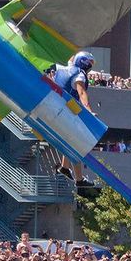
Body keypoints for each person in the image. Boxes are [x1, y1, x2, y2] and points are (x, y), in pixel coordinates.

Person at [52, 50, 96, 184]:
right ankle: (79, 179)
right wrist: (89, 112)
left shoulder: (65, 68)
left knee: (71, 140)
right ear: (85, 64)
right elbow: (82, 93)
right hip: (65, 111)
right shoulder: (80, 75)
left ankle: (65, 168)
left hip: (54, 106)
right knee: (77, 144)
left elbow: (71, 60)